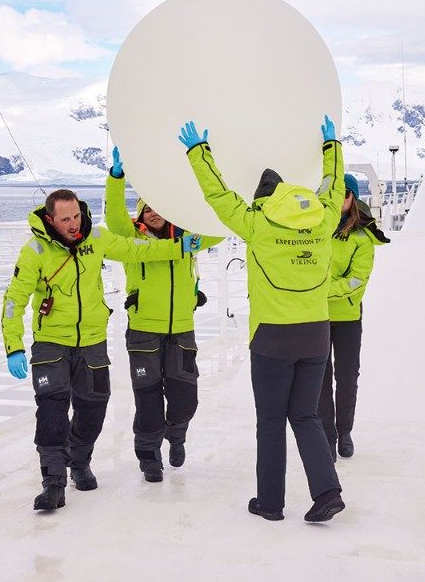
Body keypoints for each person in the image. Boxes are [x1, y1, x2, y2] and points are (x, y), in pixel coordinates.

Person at [180, 115, 347, 524]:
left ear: (264, 200)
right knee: (305, 415)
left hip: (273, 339)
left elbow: (218, 197)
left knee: (271, 422)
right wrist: (332, 147)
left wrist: (198, 153)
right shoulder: (323, 220)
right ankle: (327, 492)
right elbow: (333, 187)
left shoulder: (256, 224)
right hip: (315, 335)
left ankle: (270, 503)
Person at [2, 188, 202, 512]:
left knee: (93, 406)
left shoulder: (96, 237)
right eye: (65, 219)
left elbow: (136, 250)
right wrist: (13, 346)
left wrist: (179, 245)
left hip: (93, 341)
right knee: (52, 411)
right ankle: (53, 483)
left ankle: (79, 461)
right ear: (51, 219)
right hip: (51, 342)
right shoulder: (35, 250)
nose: (72, 223)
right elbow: (14, 300)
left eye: (76, 216)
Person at [104, 147, 224, 482]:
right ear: (140, 212)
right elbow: (113, 215)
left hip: (182, 328)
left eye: (160, 206)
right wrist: (116, 178)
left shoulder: (189, 237)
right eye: (147, 207)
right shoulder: (130, 237)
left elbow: (221, 225)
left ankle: (177, 433)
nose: (154, 212)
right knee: (148, 399)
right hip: (143, 329)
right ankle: (149, 457)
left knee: (185, 396)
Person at [319, 173, 390, 460]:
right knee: (320, 379)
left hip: (347, 317)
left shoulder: (362, 239)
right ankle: (327, 434)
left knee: (347, 377)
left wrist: (318, 290)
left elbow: (356, 280)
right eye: (333, 193)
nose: (339, 200)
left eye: (344, 194)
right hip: (317, 317)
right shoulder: (314, 230)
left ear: (353, 199)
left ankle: (344, 431)